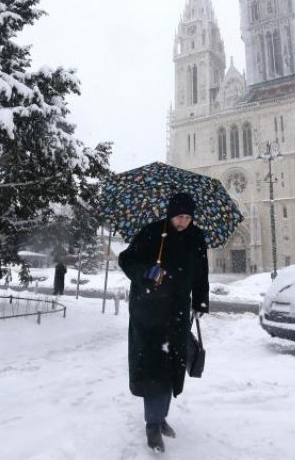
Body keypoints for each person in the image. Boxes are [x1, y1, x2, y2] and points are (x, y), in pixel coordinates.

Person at [118, 192, 209, 453]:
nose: (183, 222)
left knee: (170, 368)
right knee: (152, 369)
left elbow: (201, 272)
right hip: (149, 312)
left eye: (188, 217)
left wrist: (201, 300)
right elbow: (126, 259)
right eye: (180, 216)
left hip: (177, 313)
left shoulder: (196, 238)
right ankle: (153, 425)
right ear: (171, 214)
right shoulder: (153, 233)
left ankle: (160, 417)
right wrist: (147, 272)